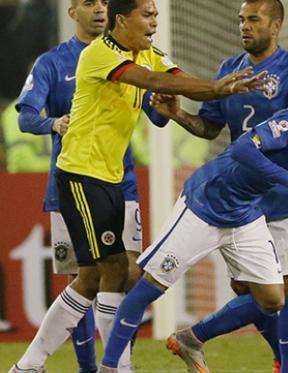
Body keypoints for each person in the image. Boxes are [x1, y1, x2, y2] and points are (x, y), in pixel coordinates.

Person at [9, 0, 266, 371]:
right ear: (121, 20)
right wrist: (216, 88)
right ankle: (105, 365)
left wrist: (173, 107)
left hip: (112, 177)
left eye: (156, 14)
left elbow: (171, 82)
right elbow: (154, 81)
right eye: (147, 15)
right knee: (106, 269)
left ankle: (34, 365)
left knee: (104, 273)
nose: (154, 21)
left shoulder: (148, 53)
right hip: (80, 173)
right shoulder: (100, 54)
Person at [95, 85, 288, 373]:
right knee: (150, 287)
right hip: (206, 204)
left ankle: (192, 338)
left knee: (273, 298)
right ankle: (111, 367)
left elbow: (287, 150)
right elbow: (244, 147)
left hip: (244, 213)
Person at [149, 1, 288, 372]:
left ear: (276, 26)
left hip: (283, 194)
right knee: (251, 290)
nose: (244, 26)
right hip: (241, 198)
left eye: (253, 19)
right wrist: (178, 114)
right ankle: (282, 358)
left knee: (287, 287)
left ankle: (280, 361)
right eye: (242, 19)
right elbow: (210, 128)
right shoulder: (229, 69)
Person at [14, 1, 168, 371]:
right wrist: (52, 124)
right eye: (88, 2)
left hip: (122, 182)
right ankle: (93, 367)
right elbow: (26, 116)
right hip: (75, 183)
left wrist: (167, 106)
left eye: (103, 1)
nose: (98, 8)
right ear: (72, 12)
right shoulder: (52, 62)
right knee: (86, 275)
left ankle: (110, 363)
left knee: (124, 273)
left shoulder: (135, 57)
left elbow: (157, 115)